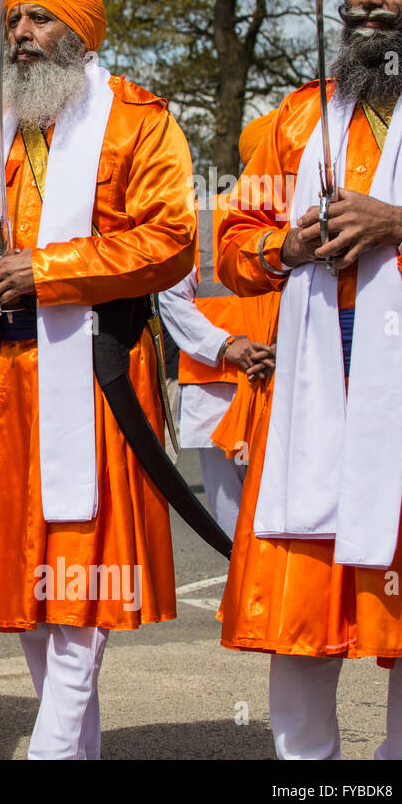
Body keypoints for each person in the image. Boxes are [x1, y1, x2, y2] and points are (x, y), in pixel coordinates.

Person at [0, 0, 197, 758]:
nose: (20, 35)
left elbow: (170, 238)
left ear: (78, 33)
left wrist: (50, 270)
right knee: (27, 583)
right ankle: (74, 751)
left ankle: (50, 752)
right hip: (1, 383)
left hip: (96, 375)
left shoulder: (140, 122)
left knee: (79, 579)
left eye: (38, 19)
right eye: (14, 20)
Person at [217, 0, 402, 760]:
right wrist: (286, 242)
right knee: (301, 607)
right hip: (312, 386)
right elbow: (235, 246)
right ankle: (308, 783)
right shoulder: (296, 119)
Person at [158, 112, 280, 536]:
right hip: (217, 388)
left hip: (278, 385)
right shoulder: (205, 219)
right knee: (233, 521)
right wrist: (227, 346)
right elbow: (173, 299)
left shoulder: (305, 219)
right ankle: (240, 598)